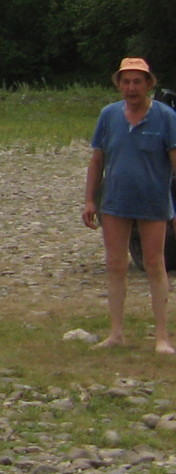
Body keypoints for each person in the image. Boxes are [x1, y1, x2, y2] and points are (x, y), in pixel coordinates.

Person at [82, 58, 176, 354]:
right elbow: (98, 161)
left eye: (138, 81)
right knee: (115, 265)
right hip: (114, 202)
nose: (131, 88)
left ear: (149, 84)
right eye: (126, 82)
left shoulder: (165, 116)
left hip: (154, 202)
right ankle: (116, 333)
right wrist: (89, 200)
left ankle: (162, 337)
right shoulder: (109, 115)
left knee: (154, 265)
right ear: (119, 84)